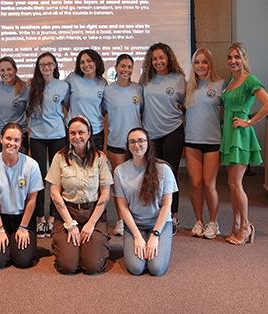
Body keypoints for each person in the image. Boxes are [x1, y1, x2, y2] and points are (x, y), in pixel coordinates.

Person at [221, 43, 268, 245]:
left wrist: (249, 121)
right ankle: (236, 225)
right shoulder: (231, 81)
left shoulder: (249, 79)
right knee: (231, 183)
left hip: (240, 136)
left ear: (244, 59)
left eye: (237, 57)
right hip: (229, 133)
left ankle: (246, 227)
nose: (233, 60)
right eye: (230, 57)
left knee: (236, 183)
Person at [47, 116, 112, 275]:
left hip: (93, 213)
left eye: (81, 132)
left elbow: (105, 194)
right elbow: (54, 192)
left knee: (92, 266)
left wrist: (91, 223)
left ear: (89, 133)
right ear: (68, 135)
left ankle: (89, 245)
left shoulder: (100, 158)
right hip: (67, 213)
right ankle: (70, 246)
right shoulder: (59, 157)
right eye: (72, 133)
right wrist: (69, 224)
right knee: (68, 266)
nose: (77, 137)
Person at [113, 128, 177, 276]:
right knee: (136, 268)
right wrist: (136, 236)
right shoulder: (120, 171)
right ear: (128, 146)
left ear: (148, 143)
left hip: (160, 225)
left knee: (156, 269)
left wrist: (155, 235)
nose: (137, 145)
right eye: (132, 142)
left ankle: (154, 242)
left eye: (141, 140)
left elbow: (167, 205)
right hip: (134, 224)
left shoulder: (164, 169)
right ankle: (142, 241)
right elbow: (123, 207)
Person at [0, 123, 43, 269]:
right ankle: (4, 237)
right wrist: (0, 229)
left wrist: (23, 227)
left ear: (21, 142)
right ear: (1, 139)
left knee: (23, 261)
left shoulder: (31, 166)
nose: (12, 143)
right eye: (8, 138)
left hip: (23, 217)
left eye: (16, 140)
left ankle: (16, 241)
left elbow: (32, 201)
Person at [140, 42, 185, 234]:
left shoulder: (179, 79)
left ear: (169, 58)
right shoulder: (145, 80)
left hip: (172, 131)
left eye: (161, 57)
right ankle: (156, 214)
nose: (158, 61)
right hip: (150, 134)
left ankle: (173, 217)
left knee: (171, 175)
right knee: (153, 176)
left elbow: (185, 105)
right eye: (155, 58)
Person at [27, 52, 70, 238]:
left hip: (58, 135)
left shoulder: (63, 86)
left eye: (49, 64)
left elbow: (69, 107)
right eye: (42, 64)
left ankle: (53, 217)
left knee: (56, 179)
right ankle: (40, 219)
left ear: (55, 66)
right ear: (38, 67)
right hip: (36, 136)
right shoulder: (31, 86)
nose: (46, 67)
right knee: (38, 179)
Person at [185, 49, 226, 239]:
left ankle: (213, 223)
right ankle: (199, 221)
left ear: (210, 64)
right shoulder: (189, 87)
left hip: (213, 141)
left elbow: (230, 109)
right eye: (197, 62)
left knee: (209, 184)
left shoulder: (220, 85)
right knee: (195, 183)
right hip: (192, 141)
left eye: (204, 62)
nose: (200, 66)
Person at [103, 54, 143, 236]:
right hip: (116, 141)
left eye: (129, 67)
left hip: (136, 145)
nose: (126, 70)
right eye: (123, 66)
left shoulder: (138, 89)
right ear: (116, 68)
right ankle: (121, 219)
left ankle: (136, 218)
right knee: (120, 183)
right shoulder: (108, 91)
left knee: (137, 182)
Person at [65, 49, 108, 150]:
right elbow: (65, 100)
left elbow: (104, 108)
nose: (86, 65)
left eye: (89, 61)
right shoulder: (72, 78)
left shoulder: (103, 82)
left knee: (94, 164)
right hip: (74, 131)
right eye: (82, 62)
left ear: (96, 62)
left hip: (96, 131)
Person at [0, 57, 28, 155]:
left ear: (15, 70)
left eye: (9, 69)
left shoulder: (25, 88)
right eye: (2, 70)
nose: (5, 73)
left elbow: (30, 110)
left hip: (19, 135)